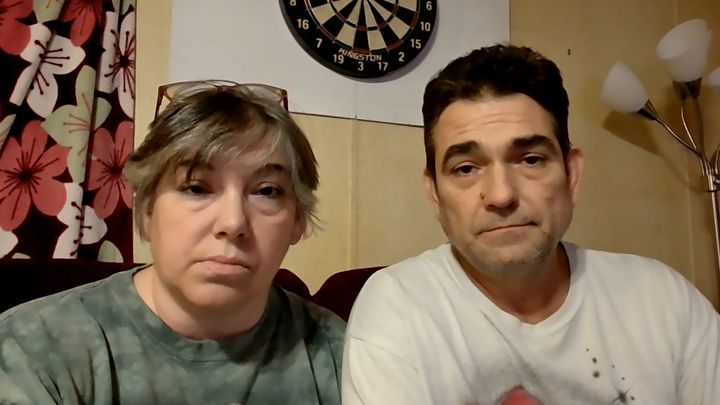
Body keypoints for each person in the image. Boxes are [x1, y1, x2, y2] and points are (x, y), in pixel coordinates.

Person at [342, 45, 720, 404]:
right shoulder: (397, 308)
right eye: (466, 168)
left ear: (572, 175)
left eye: (531, 160)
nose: (501, 195)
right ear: (434, 194)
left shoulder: (664, 301)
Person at [0, 81, 345, 404]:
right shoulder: (32, 348)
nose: (233, 223)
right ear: (146, 210)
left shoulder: (342, 352)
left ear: (298, 221)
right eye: (196, 187)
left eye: (266, 191)